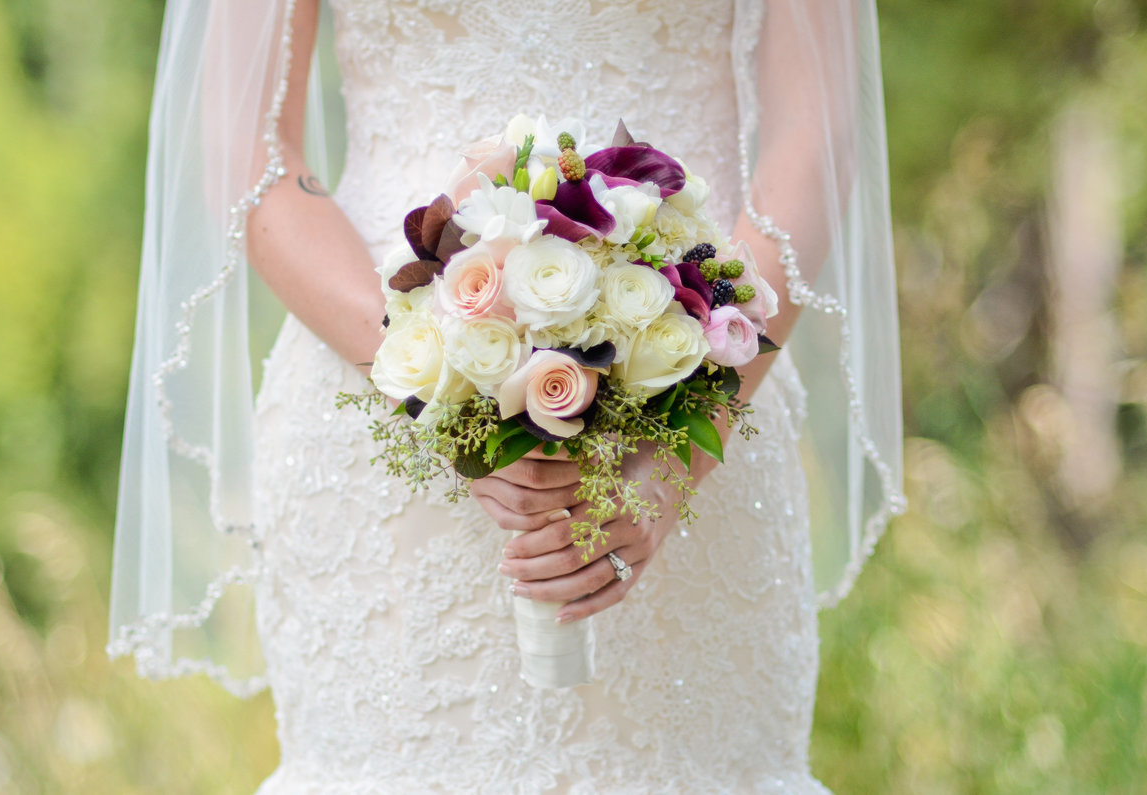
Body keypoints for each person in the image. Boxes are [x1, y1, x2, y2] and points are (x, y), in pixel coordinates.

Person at [109, 0, 905, 791]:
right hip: (377, 418)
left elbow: (816, 133)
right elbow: (242, 142)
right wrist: (432, 386)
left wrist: (675, 456)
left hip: (697, 387)